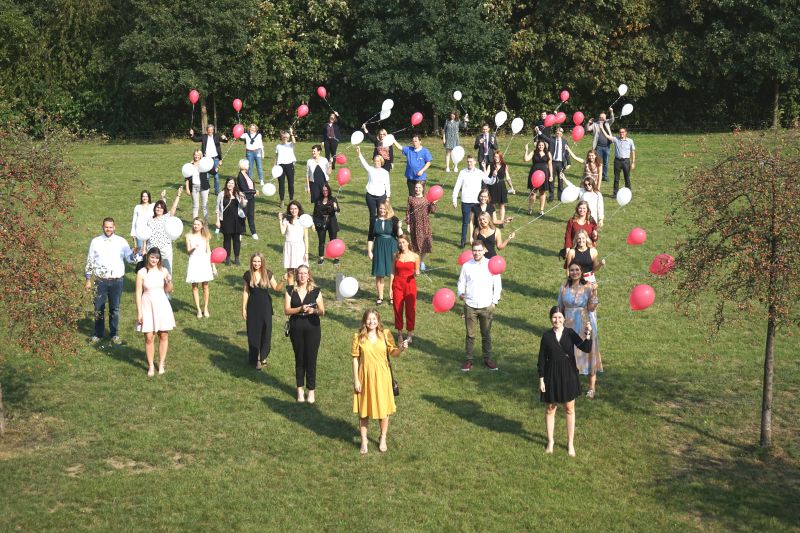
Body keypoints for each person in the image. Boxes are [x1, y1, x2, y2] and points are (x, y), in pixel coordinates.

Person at [351, 309, 409, 454]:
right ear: (365, 321)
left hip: (382, 377)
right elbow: (355, 359)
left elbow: (393, 353)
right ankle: (364, 440)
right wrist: (356, 380)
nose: (372, 321)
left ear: (378, 320)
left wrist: (401, 348)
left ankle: (383, 437)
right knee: (363, 411)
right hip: (365, 377)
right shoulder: (358, 337)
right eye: (369, 319)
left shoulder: (385, 334)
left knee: (383, 410)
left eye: (374, 319)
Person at [538, 305, 593, 456]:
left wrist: (588, 333)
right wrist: (541, 379)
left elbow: (586, 348)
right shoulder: (546, 336)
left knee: (569, 409)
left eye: (560, 317)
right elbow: (541, 359)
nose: (557, 320)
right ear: (551, 319)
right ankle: (550, 441)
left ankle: (570, 444)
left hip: (568, 375)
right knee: (550, 409)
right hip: (551, 376)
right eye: (554, 317)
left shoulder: (570, 333)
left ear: (564, 319)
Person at [85, 217, 137, 344]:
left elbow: (130, 259)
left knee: (115, 309)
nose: (108, 229)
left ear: (114, 227)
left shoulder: (122, 242)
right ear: (103, 227)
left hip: (117, 281)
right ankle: (98, 334)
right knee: (98, 308)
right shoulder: (96, 242)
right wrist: (88, 279)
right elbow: (90, 261)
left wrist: (135, 253)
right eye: (106, 227)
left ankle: (114, 334)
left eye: (110, 227)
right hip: (100, 281)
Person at [557, 265, 602, 400]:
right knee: (568, 354)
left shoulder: (588, 286)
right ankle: (570, 385)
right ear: (568, 272)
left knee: (589, 353)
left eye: (577, 270)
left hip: (584, 323)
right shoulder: (564, 286)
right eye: (572, 270)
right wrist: (559, 322)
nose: (574, 272)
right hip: (568, 324)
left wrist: (594, 293)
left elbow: (591, 308)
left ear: (581, 272)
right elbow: (560, 306)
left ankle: (591, 388)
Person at [457, 240, 501, 371]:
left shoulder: (491, 265)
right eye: (474, 250)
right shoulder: (466, 266)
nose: (476, 253)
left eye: (479, 250)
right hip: (470, 305)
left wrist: (494, 302)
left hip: (486, 306)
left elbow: (497, 284)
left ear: (484, 251)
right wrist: (461, 294)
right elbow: (460, 283)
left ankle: (487, 359)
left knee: (486, 334)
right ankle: (469, 360)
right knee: (470, 335)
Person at [284, 265, 325, 403]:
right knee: (299, 359)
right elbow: (287, 310)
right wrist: (300, 309)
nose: (302, 276)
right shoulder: (290, 290)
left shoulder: (315, 291)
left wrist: (313, 311)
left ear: (309, 276)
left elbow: (322, 311)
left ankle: (311, 391)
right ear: (297, 276)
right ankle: (300, 390)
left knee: (311, 359)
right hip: (296, 327)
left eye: (305, 273)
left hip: (313, 327)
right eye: (300, 273)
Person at [135, 247, 176, 377]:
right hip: (147, 305)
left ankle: (162, 363)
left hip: (162, 304)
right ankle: (151, 365)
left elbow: (169, 290)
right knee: (149, 337)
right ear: (148, 257)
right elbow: (138, 293)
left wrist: (168, 281)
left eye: (156, 258)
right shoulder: (141, 272)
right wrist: (139, 312)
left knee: (163, 335)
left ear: (159, 259)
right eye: (152, 257)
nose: (154, 260)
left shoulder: (163, 271)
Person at [242, 253, 283, 370]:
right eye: (255, 261)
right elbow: (245, 292)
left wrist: (282, 281)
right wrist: (243, 308)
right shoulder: (247, 275)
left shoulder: (267, 273)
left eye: (259, 261)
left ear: (262, 262)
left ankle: (263, 356)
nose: (256, 264)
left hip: (265, 306)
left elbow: (277, 289)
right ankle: (254, 357)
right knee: (253, 332)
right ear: (251, 262)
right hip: (253, 306)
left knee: (266, 331)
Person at [452, 154, 496, 247]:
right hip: (466, 201)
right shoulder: (462, 172)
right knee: (465, 222)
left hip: (477, 202)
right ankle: (463, 241)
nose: (469, 163)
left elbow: (489, 181)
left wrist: (494, 176)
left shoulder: (479, 172)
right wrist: (454, 199)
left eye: (471, 161)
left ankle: (477, 241)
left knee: (478, 222)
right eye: (468, 161)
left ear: (475, 162)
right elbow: (457, 186)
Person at [368, 200, 401, 305]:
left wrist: (399, 227)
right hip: (378, 247)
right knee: (379, 272)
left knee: (392, 273)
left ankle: (392, 296)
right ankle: (380, 296)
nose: (381, 210)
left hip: (392, 247)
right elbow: (370, 237)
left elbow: (400, 235)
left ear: (388, 209)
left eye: (384, 208)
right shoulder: (374, 220)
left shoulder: (394, 219)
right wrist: (369, 251)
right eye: (380, 208)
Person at [355, 145, 391, 236]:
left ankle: (380, 231)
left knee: (381, 214)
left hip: (381, 196)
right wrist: (359, 153)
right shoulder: (370, 169)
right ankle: (371, 232)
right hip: (370, 196)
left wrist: (388, 197)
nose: (376, 162)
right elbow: (364, 163)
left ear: (381, 162)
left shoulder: (385, 172)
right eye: (375, 161)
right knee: (372, 215)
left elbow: (387, 185)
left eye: (378, 161)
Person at [391, 235, 419, 344]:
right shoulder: (396, 255)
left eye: (403, 242)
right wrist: (391, 287)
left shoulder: (415, 256)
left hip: (410, 285)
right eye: (399, 243)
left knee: (410, 309)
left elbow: (417, 271)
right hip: (397, 284)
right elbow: (393, 272)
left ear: (408, 243)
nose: (401, 245)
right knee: (397, 309)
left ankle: (410, 334)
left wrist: (417, 272)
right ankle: (399, 334)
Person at [146, 191, 182, 275]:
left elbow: (174, 207)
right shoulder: (150, 220)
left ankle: (169, 288)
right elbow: (146, 236)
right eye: (157, 207)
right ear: (154, 208)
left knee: (167, 272)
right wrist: (145, 248)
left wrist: (178, 195)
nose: (159, 209)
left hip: (165, 248)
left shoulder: (167, 217)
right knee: (153, 272)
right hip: (153, 249)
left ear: (164, 210)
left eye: (161, 208)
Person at [185, 217, 213, 318]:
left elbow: (209, 251)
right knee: (195, 286)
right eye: (194, 224)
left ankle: (205, 308)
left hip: (204, 262)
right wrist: (193, 248)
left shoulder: (206, 236)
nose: (195, 226)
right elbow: (188, 251)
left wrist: (213, 266)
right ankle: (198, 309)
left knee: (205, 286)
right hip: (194, 262)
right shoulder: (188, 236)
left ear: (202, 226)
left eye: (198, 224)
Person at [405, 181, 437, 270]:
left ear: (422, 189)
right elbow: (408, 212)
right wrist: (408, 224)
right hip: (414, 224)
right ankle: (416, 261)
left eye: (419, 188)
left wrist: (433, 203)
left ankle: (421, 262)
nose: (417, 189)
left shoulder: (427, 199)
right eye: (416, 187)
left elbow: (433, 211)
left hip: (424, 224)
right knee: (415, 244)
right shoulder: (411, 198)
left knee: (424, 244)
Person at [215, 178, 247, 266]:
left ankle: (237, 258)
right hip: (226, 220)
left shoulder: (237, 193)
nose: (230, 184)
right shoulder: (221, 194)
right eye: (229, 183)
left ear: (234, 184)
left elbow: (243, 205)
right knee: (227, 239)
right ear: (226, 183)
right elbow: (217, 208)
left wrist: (242, 198)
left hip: (237, 220)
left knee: (237, 239)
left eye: (232, 183)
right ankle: (227, 258)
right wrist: (217, 220)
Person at [189, 124, 228, 195]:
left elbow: (225, 141)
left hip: (215, 158)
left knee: (216, 176)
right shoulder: (204, 136)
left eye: (211, 130)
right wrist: (192, 134)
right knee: (207, 176)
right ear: (207, 130)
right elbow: (196, 139)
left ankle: (217, 191)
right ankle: (207, 190)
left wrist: (225, 138)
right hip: (206, 159)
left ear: (213, 130)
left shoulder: (217, 136)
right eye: (208, 130)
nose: (210, 131)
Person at [539, 127, 572, 201]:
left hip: (561, 163)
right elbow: (544, 137)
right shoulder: (551, 140)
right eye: (557, 133)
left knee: (561, 180)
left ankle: (560, 196)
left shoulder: (565, 141)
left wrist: (569, 163)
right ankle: (551, 196)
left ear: (562, 134)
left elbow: (567, 153)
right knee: (551, 179)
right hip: (552, 163)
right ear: (555, 133)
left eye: (560, 133)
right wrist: (539, 132)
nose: (558, 134)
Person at [312, 182, 340, 265]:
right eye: (323, 190)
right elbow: (315, 213)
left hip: (331, 221)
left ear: (329, 190)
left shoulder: (333, 199)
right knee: (321, 241)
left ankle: (336, 257)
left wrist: (335, 207)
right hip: (321, 222)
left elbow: (337, 210)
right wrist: (314, 223)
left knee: (333, 240)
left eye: (326, 190)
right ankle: (321, 257)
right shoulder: (318, 200)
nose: (325, 192)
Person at [524, 140, 553, 216]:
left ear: (544, 146)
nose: (541, 146)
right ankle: (530, 208)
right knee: (533, 193)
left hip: (544, 175)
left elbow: (550, 165)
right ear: (537, 146)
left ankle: (541, 210)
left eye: (542, 145)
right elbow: (526, 159)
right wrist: (526, 150)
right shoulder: (534, 152)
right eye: (539, 145)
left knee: (542, 192)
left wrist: (551, 175)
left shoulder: (548, 153)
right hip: (534, 175)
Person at [485, 151, 515, 223]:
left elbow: (507, 177)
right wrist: (483, 167)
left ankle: (502, 221)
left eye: (497, 157)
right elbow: (485, 176)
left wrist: (512, 187)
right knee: (492, 204)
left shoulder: (504, 166)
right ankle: (493, 220)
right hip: (492, 186)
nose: (496, 158)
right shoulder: (490, 165)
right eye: (495, 157)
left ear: (501, 157)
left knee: (502, 204)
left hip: (501, 186)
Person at [279, 200, 309, 272]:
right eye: (291, 209)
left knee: (301, 269)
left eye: (295, 208)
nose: (293, 210)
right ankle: (291, 283)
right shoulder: (286, 220)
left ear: (299, 209)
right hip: (289, 246)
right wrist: (280, 220)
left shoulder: (303, 220)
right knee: (290, 271)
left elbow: (306, 238)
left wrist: (306, 253)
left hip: (299, 247)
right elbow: (282, 232)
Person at [586, 108, 614, 183]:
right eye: (600, 117)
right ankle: (597, 175)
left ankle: (605, 176)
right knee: (598, 162)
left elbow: (612, 119)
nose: (601, 118)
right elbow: (588, 129)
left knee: (606, 162)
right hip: (598, 147)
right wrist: (588, 122)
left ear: (605, 118)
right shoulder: (595, 124)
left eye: (603, 117)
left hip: (607, 147)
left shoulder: (607, 123)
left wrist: (611, 112)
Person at [184, 149, 210, 222]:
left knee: (205, 206)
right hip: (194, 187)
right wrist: (187, 188)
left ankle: (206, 223)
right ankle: (195, 222)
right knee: (195, 206)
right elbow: (186, 178)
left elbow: (212, 170)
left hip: (204, 186)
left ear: (200, 156)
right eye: (195, 155)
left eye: (198, 155)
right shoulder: (190, 165)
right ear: (193, 155)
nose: (197, 156)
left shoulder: (204, 164)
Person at [236, 158, 259, 239]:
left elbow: (251, 184)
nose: (249, 166)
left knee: (251, 215)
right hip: (245, 199)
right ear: (244, 166)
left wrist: (253, 192)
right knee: (243, 215)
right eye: (248, 164)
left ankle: (253, 232)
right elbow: (244, 189)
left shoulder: (246, 174)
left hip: (251, 198)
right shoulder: (240, 176)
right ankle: (240, 232)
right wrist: (254, 191)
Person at [610, 127, 636, 196]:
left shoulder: (630, 141)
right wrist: (601, 128)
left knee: (627, 178)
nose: (621, 133)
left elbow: (633, 151)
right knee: (616, 178)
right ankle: (615, 194)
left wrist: (633, 162)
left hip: (626, 161)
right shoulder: (616, 139)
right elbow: (608, 136)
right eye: (620, 132)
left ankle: (628, 194)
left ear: (626, 133)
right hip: (617, 161)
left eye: (623, 132)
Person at [275, 129, 297, 207]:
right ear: (281, 137)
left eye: (286, 137)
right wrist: (275, 166)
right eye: (283, 137)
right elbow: (276, 157)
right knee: (281, 184)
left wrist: (291, 133)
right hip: (280, 166)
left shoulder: (290, 144)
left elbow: (294, 142)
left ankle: (291, 199)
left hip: (289, 165)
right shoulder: (278, 146)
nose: (285, 139)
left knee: (291, 184)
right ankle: (282, 200)